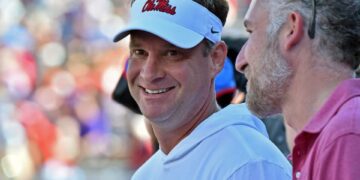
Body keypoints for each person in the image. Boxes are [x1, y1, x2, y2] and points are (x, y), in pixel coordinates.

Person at [113, 0, 291, 179]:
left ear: (216, 58)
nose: (149, 73)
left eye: (172, 53)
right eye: (139, 52)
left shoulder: (247, 164)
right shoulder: (146, 173)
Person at [235, 0, 360, 179]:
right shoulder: (338, 136)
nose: (240, 62)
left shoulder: (345, 136)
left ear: (291, 29)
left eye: (251, 32)